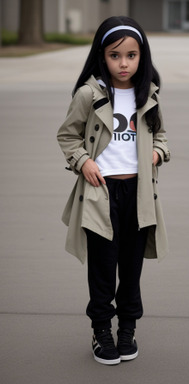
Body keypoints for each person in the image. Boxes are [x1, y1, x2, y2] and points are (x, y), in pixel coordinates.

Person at [57, 16, 170, 365]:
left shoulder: (147, 94)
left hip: (138, 195)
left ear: (142, 57)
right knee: (103, 268)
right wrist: (83, 162)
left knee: (131, 268)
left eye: (132, 55)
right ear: (102, 56)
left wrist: (156, 152)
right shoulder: (89, 94)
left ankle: (127, 329)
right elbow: (68, 135)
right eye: (115, 55)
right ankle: (102, 329)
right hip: (100, 193)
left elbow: (162, 136)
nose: (124, 63)